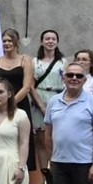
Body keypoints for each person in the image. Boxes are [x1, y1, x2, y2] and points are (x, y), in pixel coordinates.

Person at [0, 28, 36, 172]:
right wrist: (2, 104)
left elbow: (26, 87)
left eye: (9, 40)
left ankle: (21, 169)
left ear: (16, 42)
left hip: (20, 105)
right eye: (4, 40)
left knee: (21, 138)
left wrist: (10, 103)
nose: (7, 43)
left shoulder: (25, 60)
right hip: (0, 107)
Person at [30, 30, 68, 174]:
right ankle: (45, 175)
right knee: (40, 139)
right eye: (47, 39)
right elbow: (30, 86)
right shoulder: (34, 62)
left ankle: (57, 171)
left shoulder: (63, 62)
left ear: (57, 42)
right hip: (38, 99)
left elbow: (67, 83)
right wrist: (41, 105)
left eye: (53, 39)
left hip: (58, 98)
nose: (50, 41)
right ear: (42, 41)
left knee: (56, 137)